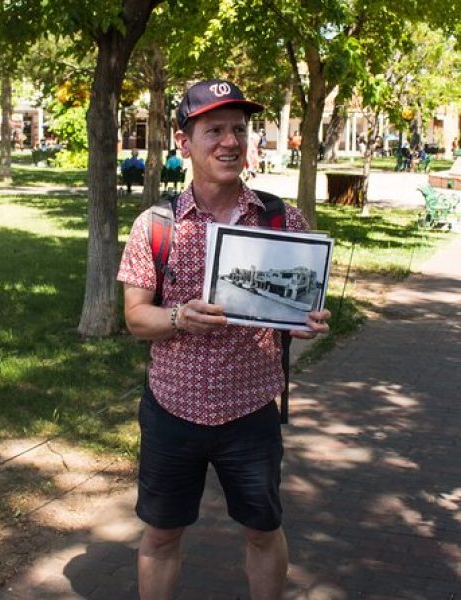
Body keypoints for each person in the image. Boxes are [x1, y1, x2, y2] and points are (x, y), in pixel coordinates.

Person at [117, 79, 330, 600]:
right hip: (172, 409)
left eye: (239, 129)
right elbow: (135, 318)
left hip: (250, 410)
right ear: (183, 140)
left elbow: (301, 300)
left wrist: (308, 319)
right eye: (214, 130)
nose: (229, 142)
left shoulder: (281, 220)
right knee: (162, 534)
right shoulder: (157, 225)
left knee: (262, 531)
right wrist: (178, 319)